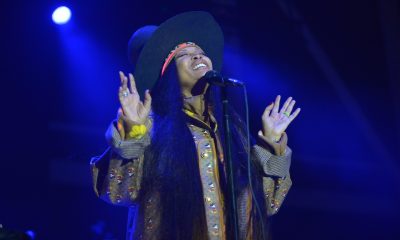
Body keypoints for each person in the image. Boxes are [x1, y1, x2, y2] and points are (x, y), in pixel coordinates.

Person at [90, 11, 300, 240]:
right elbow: (119, 192)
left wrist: (271, 145)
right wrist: (133, 133)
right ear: (169, 73)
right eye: (185, 55)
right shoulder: (151, 125)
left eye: (201, 53)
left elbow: (268, 203)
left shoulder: (231, 129)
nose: (198, 57)